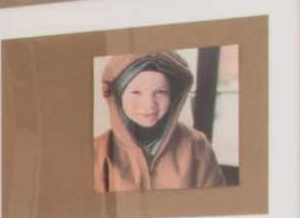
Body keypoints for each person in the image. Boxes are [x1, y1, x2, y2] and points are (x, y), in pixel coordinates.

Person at [93, 49, 237, 192]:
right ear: (117, 96)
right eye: (136, 92)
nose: (149, 104)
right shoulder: (98, 151)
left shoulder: (197, 145)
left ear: (174, 96)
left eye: (160, 92)